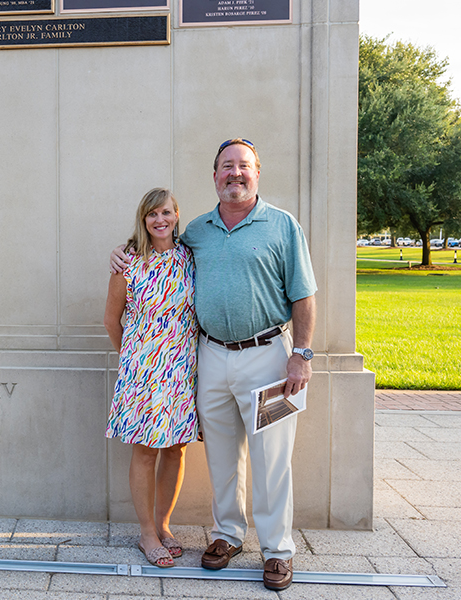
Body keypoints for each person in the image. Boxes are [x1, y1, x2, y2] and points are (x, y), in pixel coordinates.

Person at [110, 139, 316, 590]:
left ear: (257, 172)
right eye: (226, 166)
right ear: (215, 175)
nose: (235, 174)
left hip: (270, 360)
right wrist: (122, 253)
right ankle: (227, 536)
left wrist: (301, 356)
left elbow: (304, 294)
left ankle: (278, 551)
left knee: (272, 458)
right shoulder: (197, 230)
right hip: (212, 358)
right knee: (222, 455)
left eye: (243, 166)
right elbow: (154, 250)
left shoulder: (282, 226)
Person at [104, 187, 199, 569]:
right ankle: (146, 533)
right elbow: (112, 320)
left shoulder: (190, 258)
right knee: (144, 451)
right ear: (143, 220)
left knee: (176, 448)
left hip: (181, 370)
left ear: (176, 215)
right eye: (151, 214)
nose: (159, 220)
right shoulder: (127, 262)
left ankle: (164, 524)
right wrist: (131, 359)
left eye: (166, 213)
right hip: (141, 372)